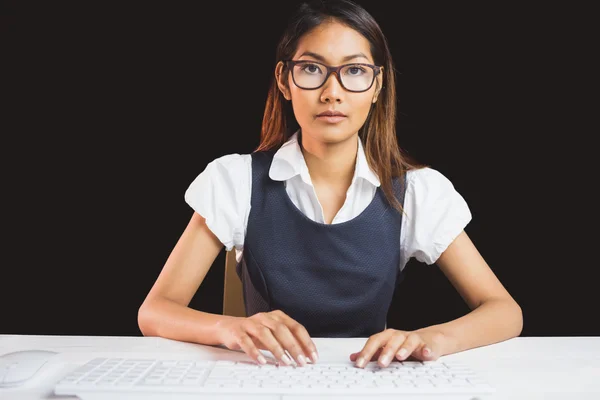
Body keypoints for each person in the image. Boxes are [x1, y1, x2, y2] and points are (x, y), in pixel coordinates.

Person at [138, 0, 523, 369]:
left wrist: (432, 339)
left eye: (354, 71)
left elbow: (505, 311)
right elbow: (155, 311)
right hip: (264, 380)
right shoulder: (234, 180)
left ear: (377, 86)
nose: (332, 92)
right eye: (311, 69)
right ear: (284, 81)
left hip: (366, 380)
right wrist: (230, 328)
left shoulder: (418, 191)